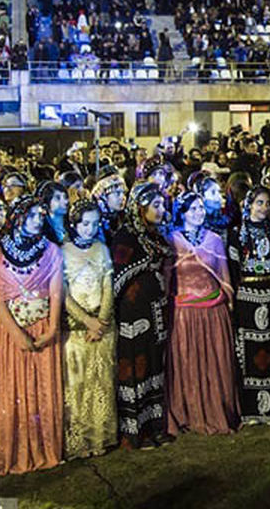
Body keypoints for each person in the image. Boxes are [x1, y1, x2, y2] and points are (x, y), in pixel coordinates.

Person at [0, 196, 65, 474]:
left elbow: (56, 291)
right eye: (31, 216)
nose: (37, 221)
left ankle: (45, 448)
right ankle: (17, 449)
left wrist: (53, 327)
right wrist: (16, 335)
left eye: (41, 216)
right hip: (12, 333)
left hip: (43, 328)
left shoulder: (51, 250)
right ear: (17, 217)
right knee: (15, 391)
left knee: (43, 388)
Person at [166, 192, 239, 435]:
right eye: (193, 209)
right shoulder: (172, 240)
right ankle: (191, 412)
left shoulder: (215, 240)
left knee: (214, 364)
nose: (199, 212)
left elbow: (224, 275)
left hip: (212, 312)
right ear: (183, 213)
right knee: (189, 364)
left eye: (201, 208)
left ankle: (218, 409)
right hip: (185, 315)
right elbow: (167, 279)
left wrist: (228, 304)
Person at [111, 183, 172, 449]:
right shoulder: (125, 237)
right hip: (133, 315)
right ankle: (135, 432)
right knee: (135, 368)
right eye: (155, 205)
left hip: (155, 310)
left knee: (154, 365)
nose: (160, 210)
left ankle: (156, 426)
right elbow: (118, 278)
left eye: (162, 205)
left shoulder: (155, 235)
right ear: (140, 207)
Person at [227, 186, 270, 426]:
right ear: (248, 205)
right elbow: (234, 266)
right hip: (248, 294)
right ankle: (252, 410)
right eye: (259, 203)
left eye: (266, 203)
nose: (263, 208)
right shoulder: (237, 233)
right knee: (250, 350)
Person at [61, 199, 117, 459]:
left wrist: (101, 321)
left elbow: (108, 285)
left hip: (102, 326)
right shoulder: (62, 252)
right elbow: (62, 294)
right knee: (78, 384)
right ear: (74, 223)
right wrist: (86, 320)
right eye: (85, 224)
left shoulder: (101, 249)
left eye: (95, 224)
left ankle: (100, 438)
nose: (89, 229)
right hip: (76, 329)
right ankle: (78, 441)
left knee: (101, 382)